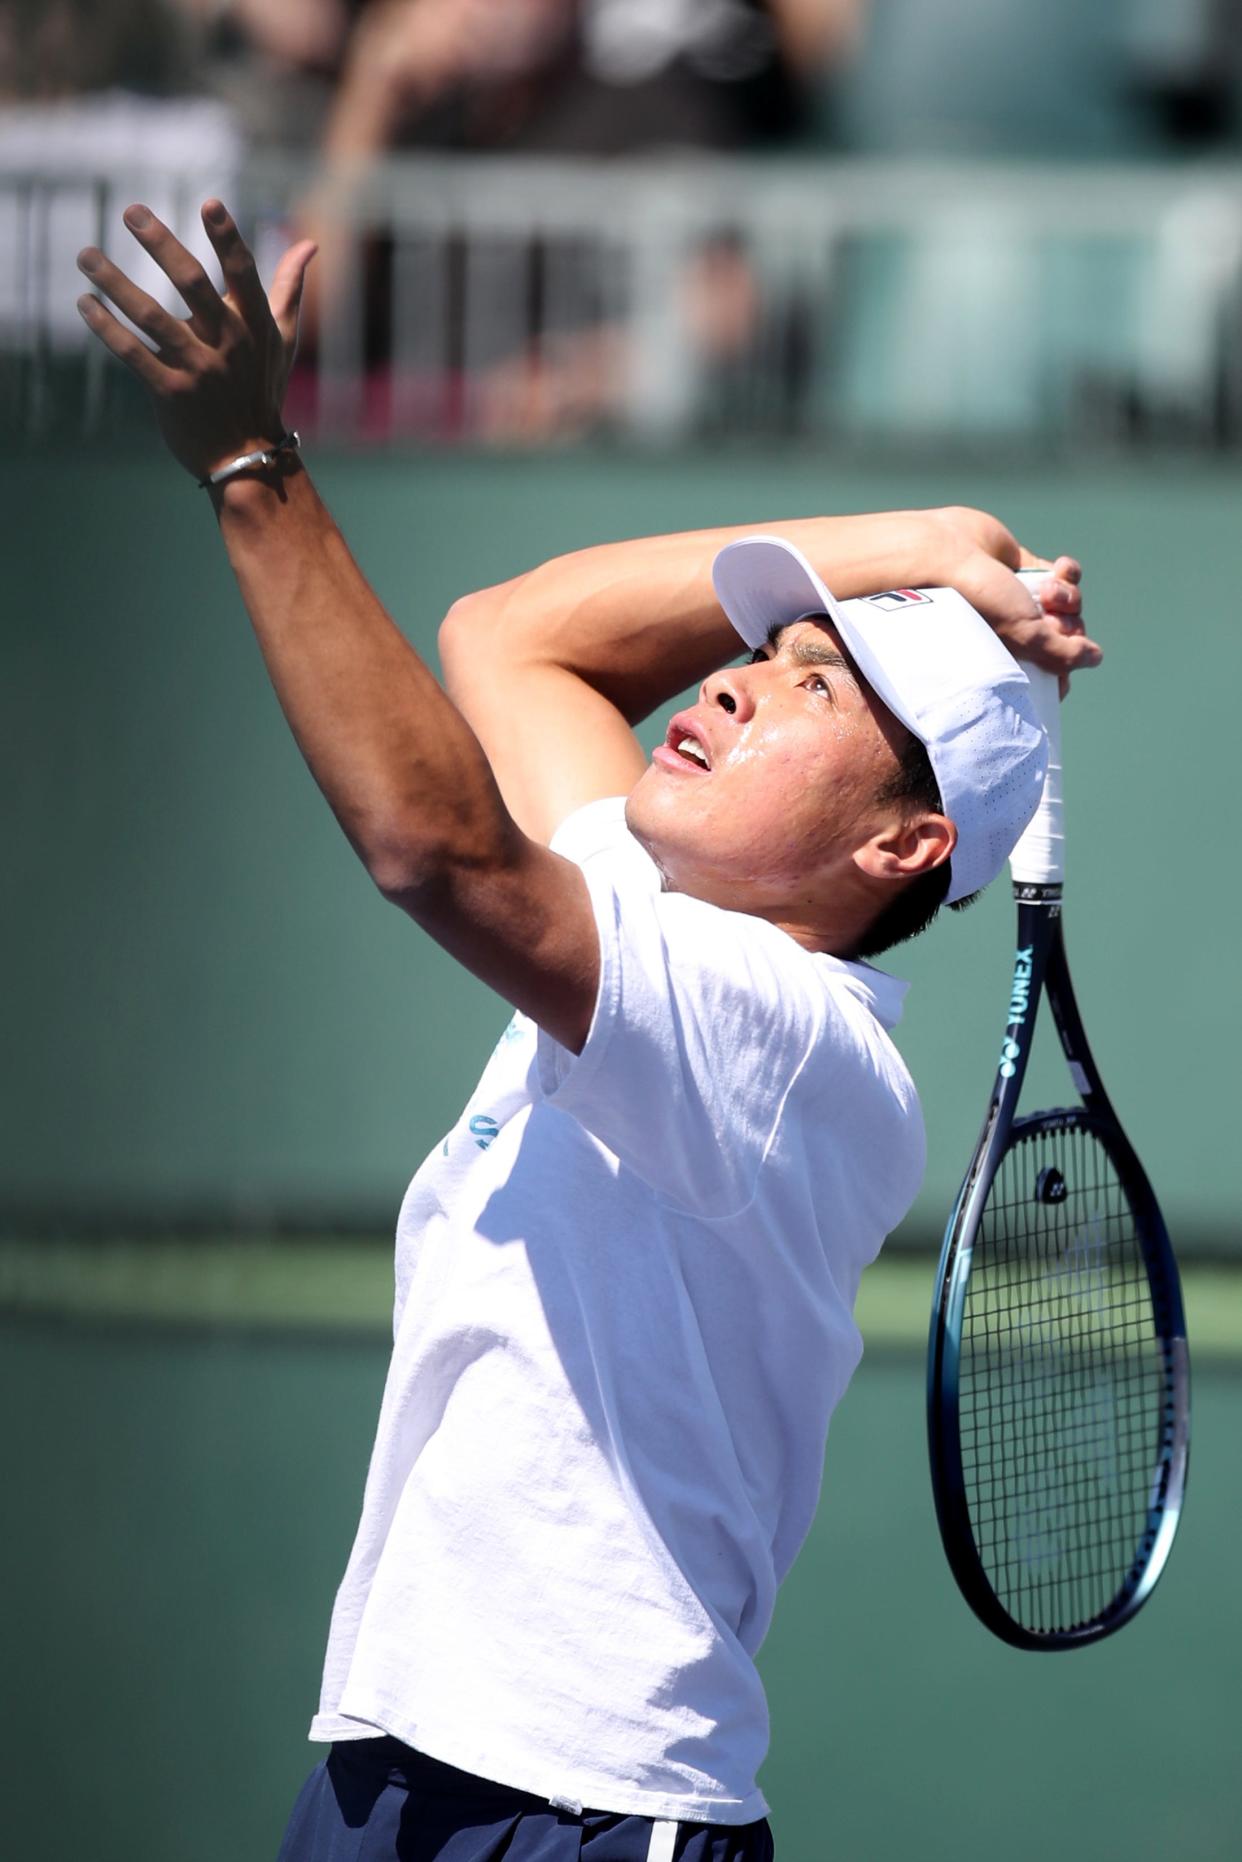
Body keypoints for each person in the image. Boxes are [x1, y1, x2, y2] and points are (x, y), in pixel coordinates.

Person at [75, 202, 1099, 1861]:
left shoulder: (789, 1040)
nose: (732, 685)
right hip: (389, 1768)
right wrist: (908, 540)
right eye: (757, 656)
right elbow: (509, 635)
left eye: (815, 694)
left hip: (583, 1814)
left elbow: (443, 851)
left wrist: (252, 465)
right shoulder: (648, 879)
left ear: (903, 848)